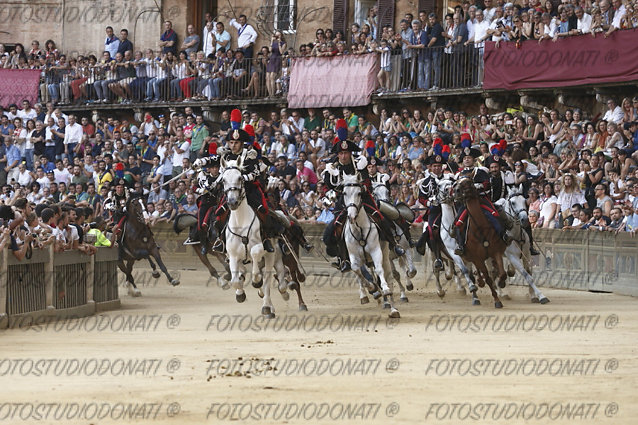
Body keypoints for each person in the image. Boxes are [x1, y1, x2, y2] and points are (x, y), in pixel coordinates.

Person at [322, 119, 405, 273]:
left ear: (350, 152)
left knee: (380, 217)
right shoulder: (331, 167)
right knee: (331, 232)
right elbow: (327, 186)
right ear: (338, 154)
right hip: (343, 203)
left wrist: (360, 189)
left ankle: (394, 244)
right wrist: (331, 194)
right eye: (341, 153)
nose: (344, 156)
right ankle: (343, 259)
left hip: (363, 199)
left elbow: (367, 182)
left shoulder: (360, 163)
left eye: (346, 152)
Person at [453, 147, 512, 255]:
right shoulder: (458, 175)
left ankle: (503, 235)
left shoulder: (480, 171)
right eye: (465, 158)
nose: (467, 160)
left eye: (469, 158)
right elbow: (455, 187)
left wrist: (477, 186)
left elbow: (487, 183)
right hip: (465, 203)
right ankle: (460, 245)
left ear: (474, 160)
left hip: (480, 200)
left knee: (493, 215)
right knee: (458, 222)